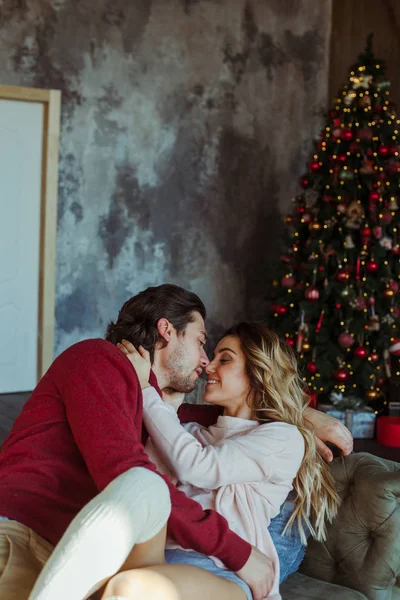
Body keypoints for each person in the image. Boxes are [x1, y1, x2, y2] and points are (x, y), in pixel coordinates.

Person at [0, 284, 352, 600]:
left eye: (219, 357)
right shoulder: (99, 361)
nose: (205, 361)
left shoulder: (155, 407)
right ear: (167, 330)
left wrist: (302, 415)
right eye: (201, 342)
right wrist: (239, 552)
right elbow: (130, 472)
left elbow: (225, 421)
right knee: (144, 484)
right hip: (24, 538)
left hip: (81, 553)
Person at [99, 323, 340, 600]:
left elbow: (199, 467)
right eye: (212, 357)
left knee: (128, 589)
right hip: (161, 559)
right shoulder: (189, 433)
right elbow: (152, 485)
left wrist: (146, 390)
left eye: (224, 359)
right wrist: (170, 406)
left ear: (259, 373)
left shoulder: (283, 438)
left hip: (223, 571)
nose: (209, 367)